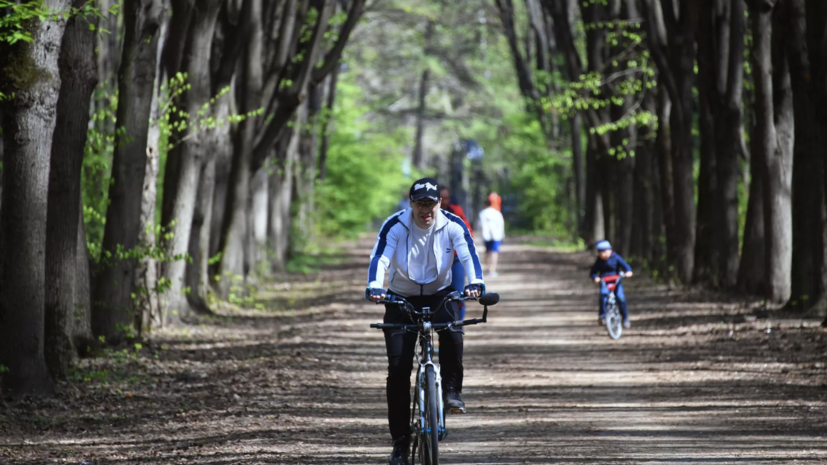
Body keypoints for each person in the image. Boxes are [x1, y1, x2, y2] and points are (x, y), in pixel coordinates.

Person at [367, 177, 485, 465]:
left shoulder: (452, 224)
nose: (425, 210)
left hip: (439, 293)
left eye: (430, 204)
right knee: (398, 370)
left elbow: (468, 253)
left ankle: (452, 392)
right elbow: (380, 256)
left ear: (439, 204)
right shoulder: (396, 224)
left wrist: (476, 282)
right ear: (411, 204)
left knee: (454, 332)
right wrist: (374, 285)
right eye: (420, 204)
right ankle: (400, 442)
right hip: (400, 298)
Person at [439, 186, 473, 319]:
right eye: (440, 199)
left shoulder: (456, 211)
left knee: (459, 295)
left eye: (446, 198)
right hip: (436, 262)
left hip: (456, 259)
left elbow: (467, 231)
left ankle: (457, 328)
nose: (444, 202)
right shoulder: (426, 215)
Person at [590, 240, 633, 328]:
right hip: (604, 282)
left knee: (620, 298)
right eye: (600, 252)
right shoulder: (599, 261)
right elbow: (593, 272)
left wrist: (628, 272)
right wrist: (595, 278)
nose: (603, 254)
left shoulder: (616, 257)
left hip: (616, 281)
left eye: (604, 252)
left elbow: (626, 267)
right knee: (603, 296)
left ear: (610, 250)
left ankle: (625, 318)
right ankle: (602, 316)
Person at [476, 197, 505, 277]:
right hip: (496, 235)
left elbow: (480, 224)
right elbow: (501, 224)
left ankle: (487, 268)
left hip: (486, 235)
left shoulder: (482, 213)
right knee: (494, 252)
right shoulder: (497, 213)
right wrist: (502, 235)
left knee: (487, 252)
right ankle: (493, 269)